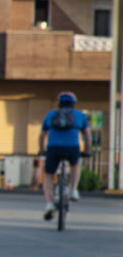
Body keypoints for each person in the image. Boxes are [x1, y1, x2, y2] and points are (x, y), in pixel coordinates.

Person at [39, 90, 91, 220]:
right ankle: (73, 190)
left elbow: (41, 135)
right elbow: (87, 136)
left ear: (59, 103)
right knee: (75, 165)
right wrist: (86, 151)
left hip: (53, 148)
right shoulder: (80, 115)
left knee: (49, 176)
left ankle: (49, 204)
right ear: (73, 104)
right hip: (72, 148)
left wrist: (41, 149)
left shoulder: (50, 115)